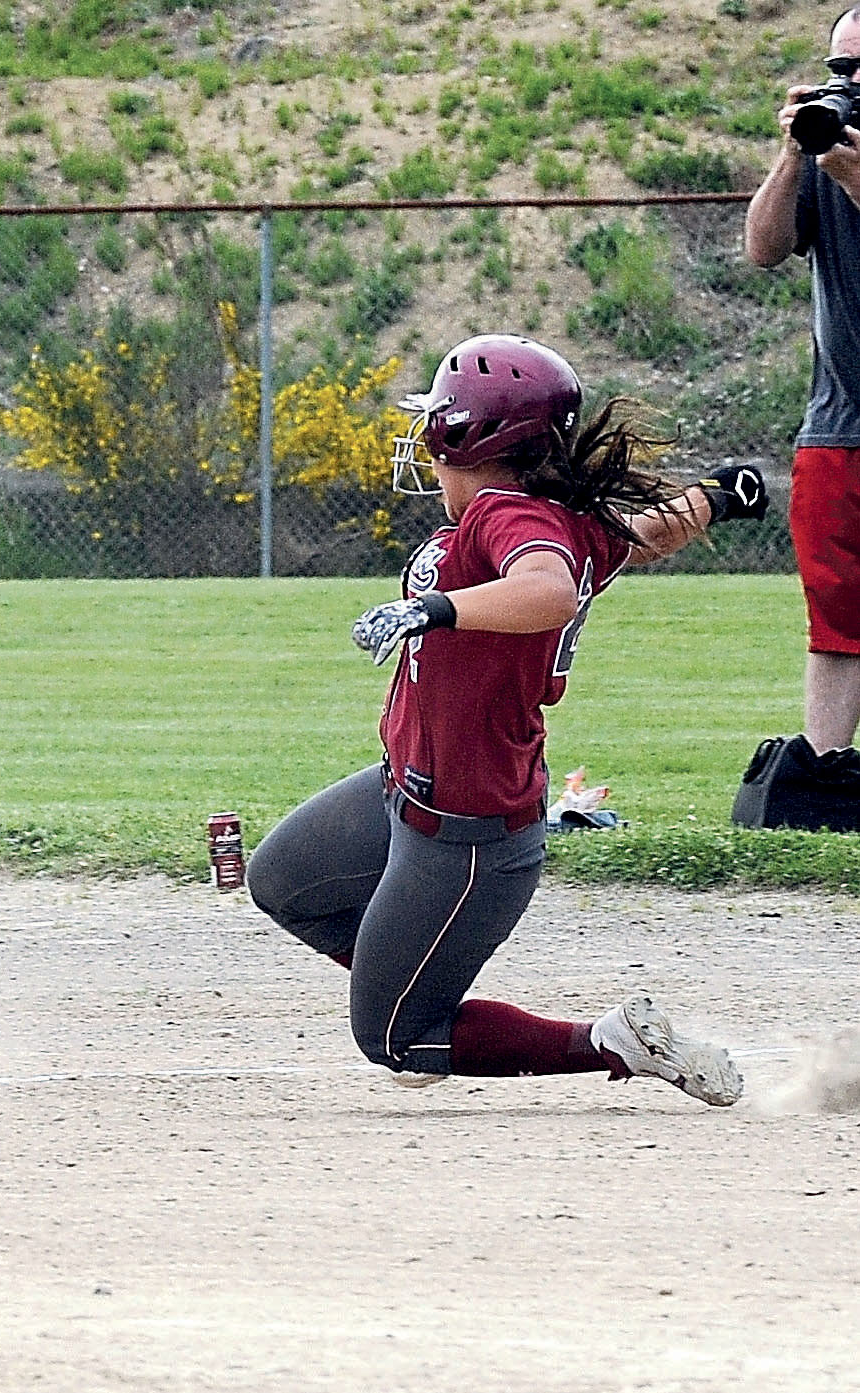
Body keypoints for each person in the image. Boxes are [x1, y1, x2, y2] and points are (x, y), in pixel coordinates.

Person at [245, 335, 767, 1106]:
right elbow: (642, 535)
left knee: (394, 1038)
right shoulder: (557, 515)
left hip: (466, 831)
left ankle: (606, 1042)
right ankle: (420, 983)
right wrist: (717, 498)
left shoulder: (504, 512)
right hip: (403, 789)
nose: (427, 449)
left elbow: (549, 590)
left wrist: (430, 608)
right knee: (281, 880)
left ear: (473, 440)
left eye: (439, 431)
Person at [744, 9, 860, 756]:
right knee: (835, 620)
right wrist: (793, 155)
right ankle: (822, 779)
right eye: (838, 70)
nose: (847, 87)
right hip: (840, 423)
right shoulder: (826, 154)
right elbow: (762, 247)